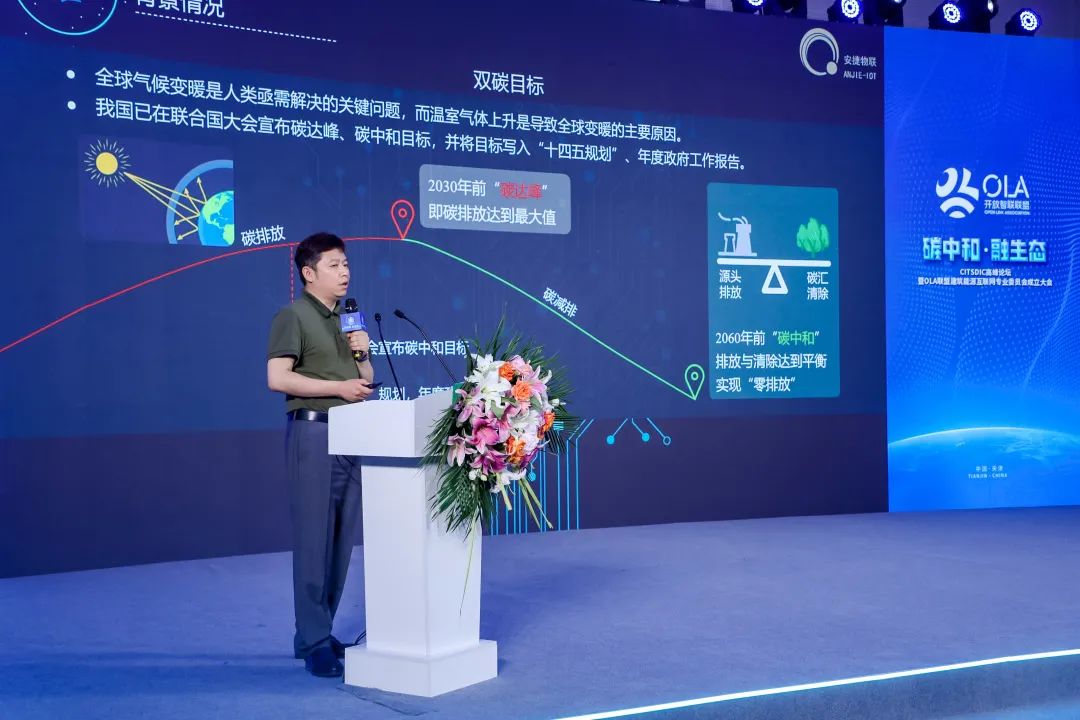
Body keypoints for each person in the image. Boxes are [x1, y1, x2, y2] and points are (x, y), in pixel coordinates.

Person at [266, 232, 375, 678]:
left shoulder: (347, 320)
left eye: (346, 263)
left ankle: (319, 630)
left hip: (352, 434)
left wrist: (362, 353)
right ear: (309, 273)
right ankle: (313, 641)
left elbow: (365, 377)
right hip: (314, 433)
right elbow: (278, 377)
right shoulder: (293, 316)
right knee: (314, 540)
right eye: (334, 265)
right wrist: (338, 388)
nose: (344, 271)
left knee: (340, 541)